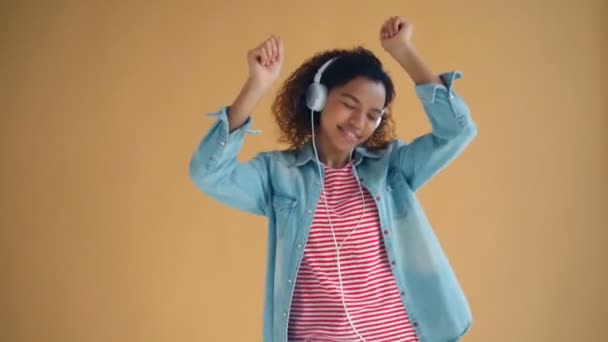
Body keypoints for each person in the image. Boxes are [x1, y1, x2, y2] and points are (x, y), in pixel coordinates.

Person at [190, 16, 477, 342]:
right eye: (349, 104)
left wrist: (404, 52)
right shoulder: (279, 175)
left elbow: (458, 130)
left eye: (372, 115)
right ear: (319, 98)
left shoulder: (391, 168)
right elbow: (207, 172)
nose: (358, 121)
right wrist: (256, 86)